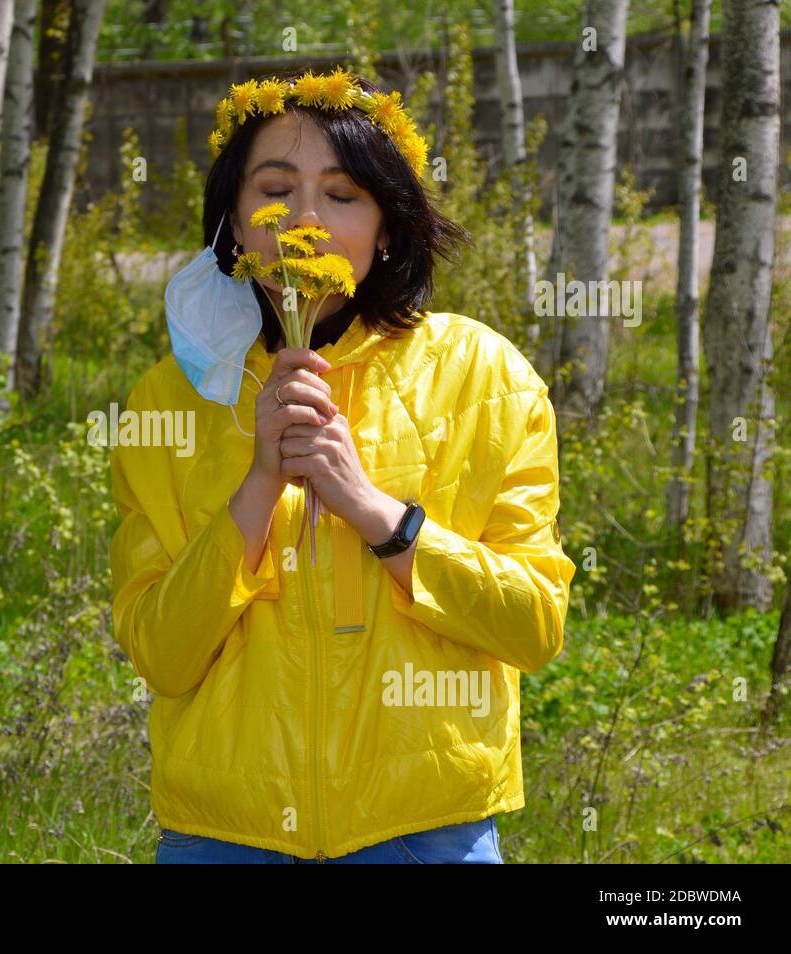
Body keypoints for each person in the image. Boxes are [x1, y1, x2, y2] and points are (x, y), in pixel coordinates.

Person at [108, 67, 578, 863]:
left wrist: (378, 515)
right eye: (275, 189)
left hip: (425, 828)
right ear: (232, 218)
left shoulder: (483, 374)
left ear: (388, 225)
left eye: (343, 194)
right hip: (224, 832)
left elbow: (532, 627)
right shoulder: (173, 398)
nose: (304, 220)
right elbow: (160, 652)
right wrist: (259, 485)